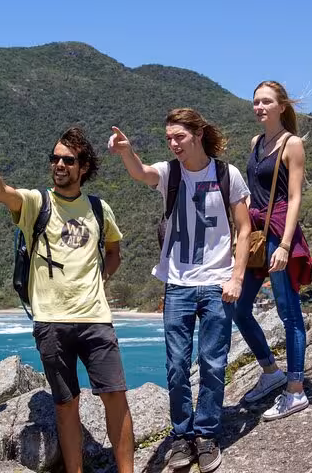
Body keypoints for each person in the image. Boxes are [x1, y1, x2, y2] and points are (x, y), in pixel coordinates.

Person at [0, 127, 134, 473]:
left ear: (83, 166)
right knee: (65, 404)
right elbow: (5, 194)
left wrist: (100, 279)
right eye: (55, 158)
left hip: (96, 319)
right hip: (51, 321)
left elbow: (114, 251)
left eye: (68, 160)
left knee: (115, 396)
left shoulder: (100, 209)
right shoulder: (36, 203)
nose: (59, 164)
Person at [108, 108, 251, 473]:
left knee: (214, 365)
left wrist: (236, 277)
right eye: (169, 138)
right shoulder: (170, 173)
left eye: (179, 137)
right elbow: (142, 174)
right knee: (175, 366)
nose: (173, 145)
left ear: (198, 134)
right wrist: (126, 151)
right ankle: (182, 436)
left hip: (217, 283)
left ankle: (205, 435)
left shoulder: (226, 174)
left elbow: (245, 229)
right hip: (178, 284)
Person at [232, 80, 312, 421]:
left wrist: (283, 245)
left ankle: (295, 390)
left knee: (289, 313)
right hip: (255, 231)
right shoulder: (255, 143)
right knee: (238, 306)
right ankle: (271, 372)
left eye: (266, 102)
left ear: (281, 106)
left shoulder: (291, 144)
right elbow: (254, 191)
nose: (259, 107)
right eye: (256, 102)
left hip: (279, 232)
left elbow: (294, 197)